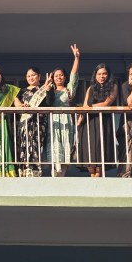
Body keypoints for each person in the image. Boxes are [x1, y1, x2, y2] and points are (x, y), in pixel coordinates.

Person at [77, 63, 118, 177]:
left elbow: (106, 103)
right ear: (95, 76)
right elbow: (85, 106)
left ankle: (98, 179)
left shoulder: (113, 86)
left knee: (100, 152)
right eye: (99, 74)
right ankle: (92, 176)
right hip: (88, 122)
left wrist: (90, 107)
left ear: (108, 75)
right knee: (88, 153)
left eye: (104, 73)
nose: (102, 76)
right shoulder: (90, 88)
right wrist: (79, 121)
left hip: (103, 122)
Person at [48, 45, 81, 178]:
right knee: (55, 150)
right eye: (56, 75)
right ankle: (55, 177)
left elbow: (73, 75)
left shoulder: (69, 89)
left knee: (66, 148)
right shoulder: (49, 90)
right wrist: (47, 88)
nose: (59, 77)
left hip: (66, 121)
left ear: (64, 77)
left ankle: (62, 177)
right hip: (54, 122)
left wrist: (77, 58)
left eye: (61, 75)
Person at [13, 67, 52, 177]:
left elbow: (49, 103)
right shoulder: (21, 91)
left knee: (35, 148)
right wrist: (21, 105)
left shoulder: (44, 89)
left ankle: (35, 173)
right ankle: (23, 172)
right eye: (28, 76)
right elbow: (16, 103)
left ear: (39, 76)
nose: (31, 77)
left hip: (38, 124)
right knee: (23, 148)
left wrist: (47, 89)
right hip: (24, 124)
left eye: (33, 75)